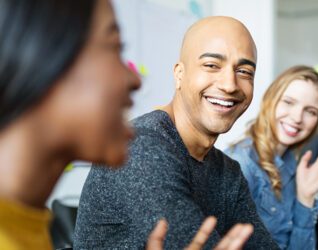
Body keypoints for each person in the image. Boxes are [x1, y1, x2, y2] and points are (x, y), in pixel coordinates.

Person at [0, 1, 253, 249]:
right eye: (113, 48)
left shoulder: (27, 230)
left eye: (244, 72)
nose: (134, 79)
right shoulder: (145, 143)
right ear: (45, 63)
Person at [74, 16, 279, 249]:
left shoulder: (227, 173)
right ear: (179, 74)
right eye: (212, 65)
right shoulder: (141, 148)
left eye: (244, 71)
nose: (230, 84)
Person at [225, 65, 318, 249]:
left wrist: (305, 198)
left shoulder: (291, 166)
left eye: (310, 111)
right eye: (289, 102)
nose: (298, 117)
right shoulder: (240, 164)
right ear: (270, 99)